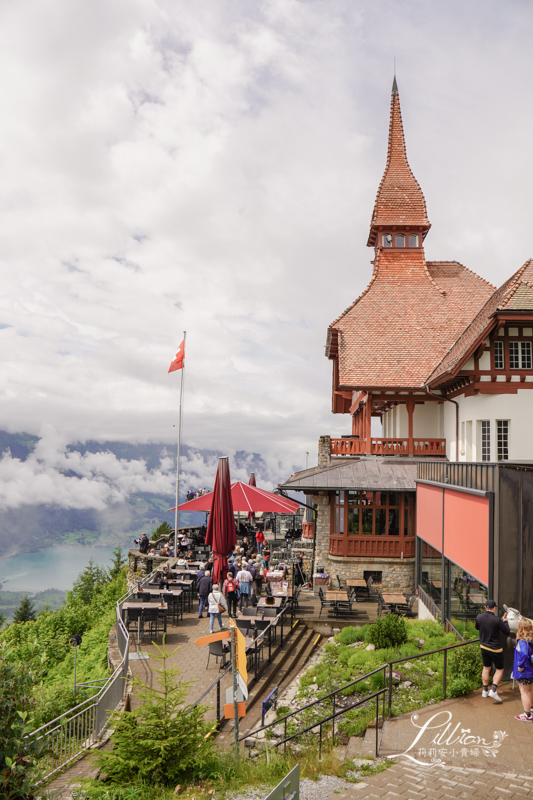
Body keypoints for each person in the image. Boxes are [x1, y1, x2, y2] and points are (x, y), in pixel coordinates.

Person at [475, 599, 510, 702]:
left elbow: (477, 627)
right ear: (494, 608)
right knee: (499, 669)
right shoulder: (497, 620)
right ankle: (493, 690)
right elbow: (506, 631)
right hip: (495, 649)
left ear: (486, 607)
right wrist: (505, 622)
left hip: (483, 647)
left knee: (486, 667)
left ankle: (485, 690)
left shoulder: (479, 617)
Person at [512, 619, 533, 721]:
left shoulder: (522, 641)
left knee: (524, 692)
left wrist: (520, 665)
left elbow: (523, 654)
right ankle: (531, 709)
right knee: (530, 690)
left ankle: (527, 714)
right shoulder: (531, 640)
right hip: (531, 670)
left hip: (524, 671)